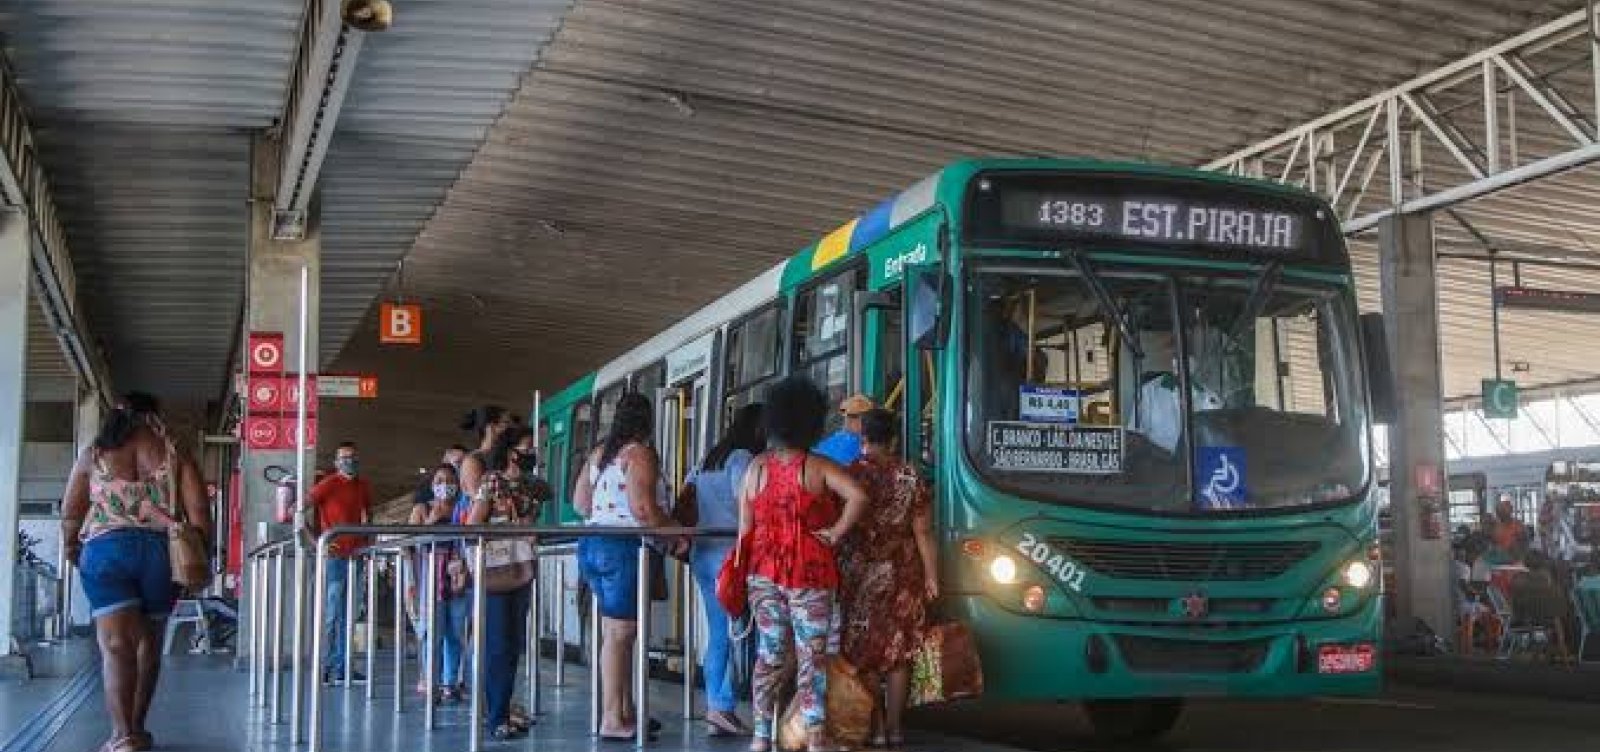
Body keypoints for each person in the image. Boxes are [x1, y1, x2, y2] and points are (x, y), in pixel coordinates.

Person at [61, 393, 210, 752]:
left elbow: (70, 513)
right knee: (149, 645)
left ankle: (121, 735)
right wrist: (193, 557)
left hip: (105, 552)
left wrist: (71, 549)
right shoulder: (175, 455)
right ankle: (139, 729)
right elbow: (201, 518)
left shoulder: (92, 455)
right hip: (159, 554)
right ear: (153, 417)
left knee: (115, 648)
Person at [741, 377, 869, 752]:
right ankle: (815, 738)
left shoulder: (755, 469)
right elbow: (858, 496)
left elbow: (745, 529)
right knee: (811, 659)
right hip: (810, 573)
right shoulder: (818, 466)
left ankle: (760, 737)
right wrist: (835, 532)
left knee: (769, 655)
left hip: (763, 572)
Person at [573, 392, 672, 742]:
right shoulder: (639, 454)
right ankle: (613, 718)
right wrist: (674, 532)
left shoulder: (600, 454)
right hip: (623, 549)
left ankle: (625, 709)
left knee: (614, 634)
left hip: (593, 546)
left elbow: (580, 504)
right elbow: (643, 508)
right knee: (621, 635)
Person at [837, 409, 937, 748]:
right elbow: (923, 533)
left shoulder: (848, 476)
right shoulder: (911, 476)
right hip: (901, 573)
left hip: (860, 574)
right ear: (893, 438)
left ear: (862, 438)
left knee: (863, 654)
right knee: (897, 653)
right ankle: (896, 729)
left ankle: (876, 729)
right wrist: (932, 576)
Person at [690, 403, 766, 737]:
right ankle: (721, 706)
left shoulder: (709, 459)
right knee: (736, 632)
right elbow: (746, 502)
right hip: (729, 558)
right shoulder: (741, 460)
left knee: (718, 631)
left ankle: (716, 707)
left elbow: (687, 496)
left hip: (701, 554)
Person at [466, 425, 540, 738]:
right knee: (498, 644)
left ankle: (501, 709)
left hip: (520, 565)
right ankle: (496, 716)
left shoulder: (531, 486)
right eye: (527, 448)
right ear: (512, 452)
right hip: (498, 567)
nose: (532, 454)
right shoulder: (492, 481)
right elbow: (474, 522)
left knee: (511, 645)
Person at [309, 441, 373, 684]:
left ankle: (344, 666)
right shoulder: (328, 484)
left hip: (354, 557)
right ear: (336, 462)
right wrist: (316, 542)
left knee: (350, 614)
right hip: (334, 557)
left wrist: (368, 542)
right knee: (331, 613)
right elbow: (301, 506)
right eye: (344, 457)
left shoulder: (363, 486)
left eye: (353, 457)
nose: (349, 461)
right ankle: (324, 666)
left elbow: (368, 514)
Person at [410, 463, 472, 702]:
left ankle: (450, 682)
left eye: (449, 480)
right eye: (439, 480)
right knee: (432, 633)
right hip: (430, 579)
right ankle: (430, 682)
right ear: (432, 485)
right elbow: (411, 543)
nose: (444, 485)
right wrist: (430, 522)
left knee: (456, 632)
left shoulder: (461, 510)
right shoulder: (423, 509)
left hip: (458, 576)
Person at [460, 406, 515, 500]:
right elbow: (477, 498)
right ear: (490, 428)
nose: (511, 427)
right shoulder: (473, 460)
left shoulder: (505, 455)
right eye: (506, 423)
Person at [813, 394, 873, 465]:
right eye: (847, 416)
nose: (848, 421)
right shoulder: (842, 437)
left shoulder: (867, 443)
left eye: (853, 417)